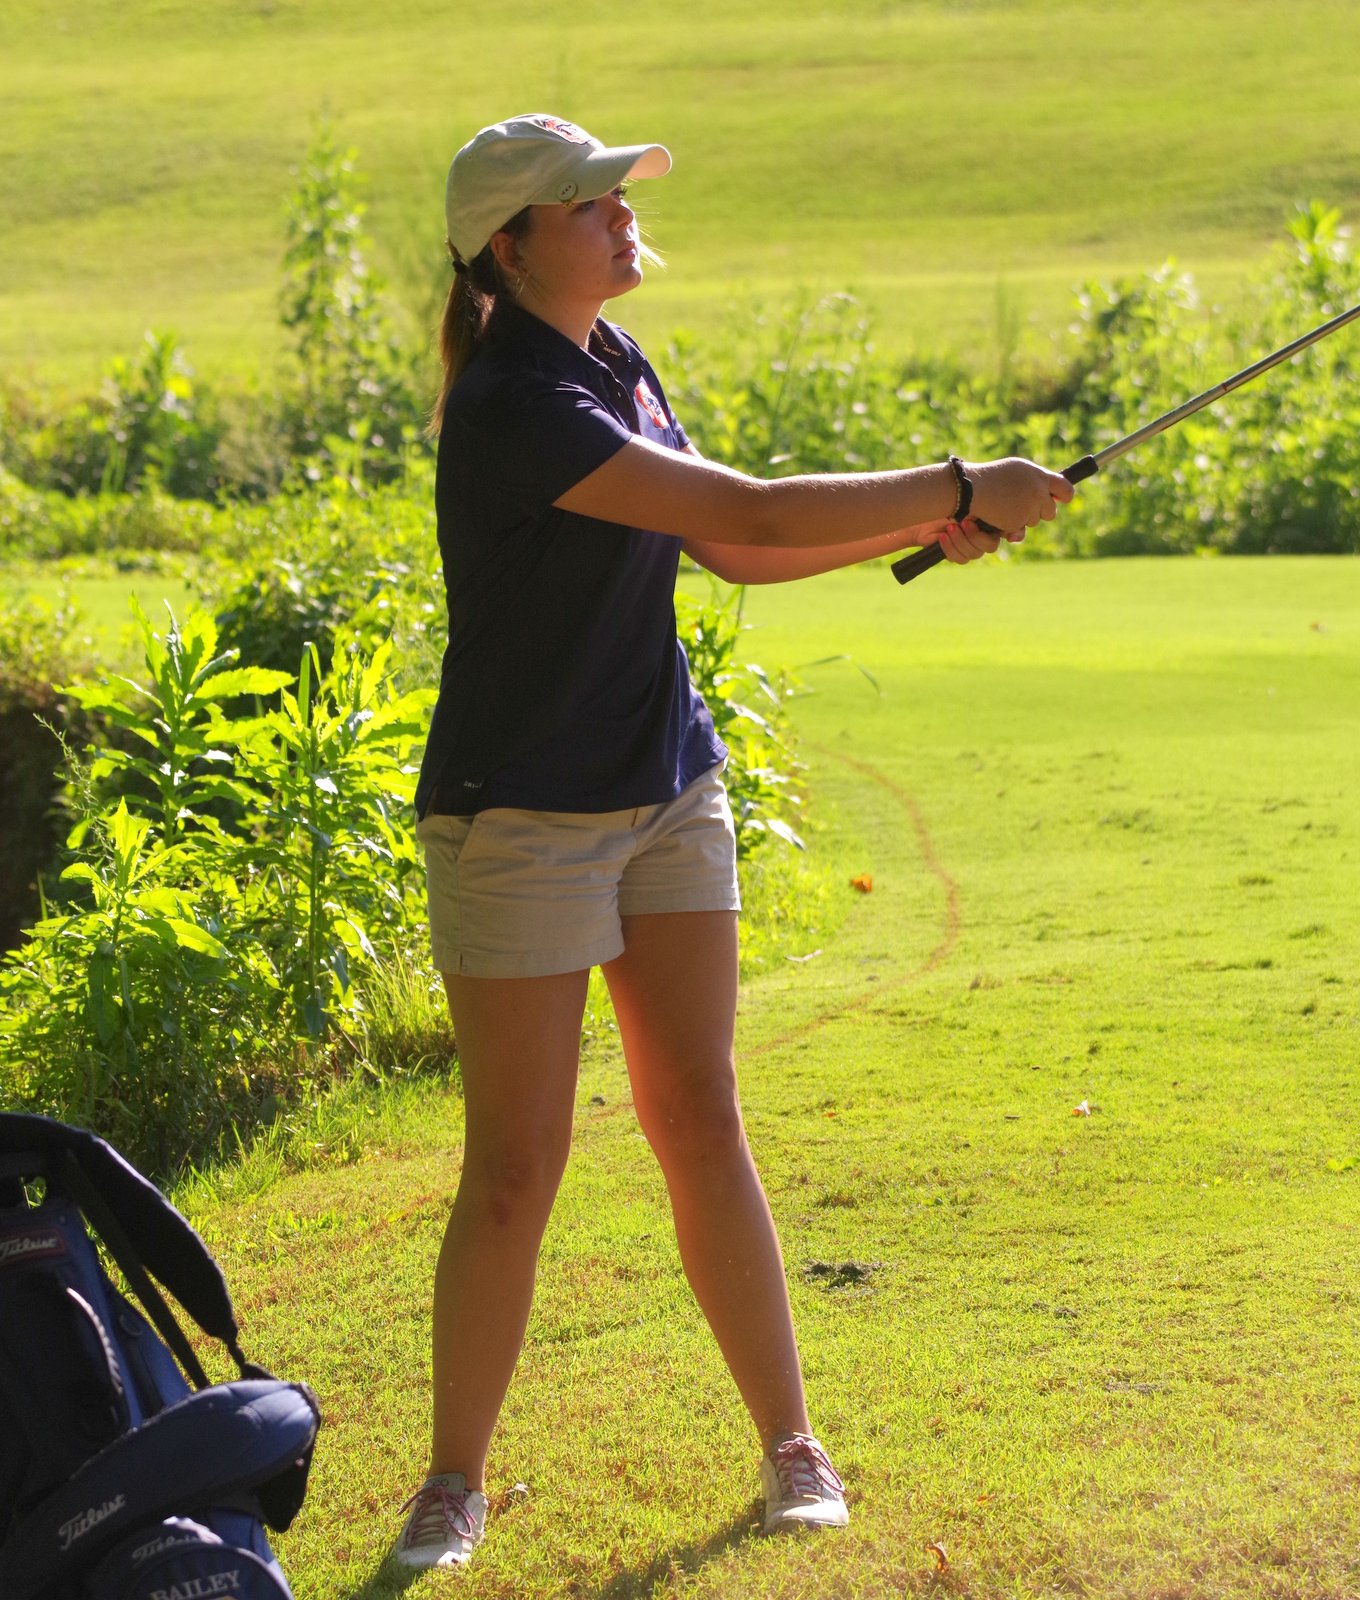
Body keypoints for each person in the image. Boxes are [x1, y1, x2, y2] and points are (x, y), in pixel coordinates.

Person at [392, 112, 1073, 1572]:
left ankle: (791, 1448)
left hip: (665, 785)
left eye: (617, 195)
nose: (622, 215)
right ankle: (452, 1483)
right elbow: (747, 506)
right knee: (515, 1166)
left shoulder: (614, 362)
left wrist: (929, 532)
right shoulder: (516, 401)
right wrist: (959, 484)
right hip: (520, 815)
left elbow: (736, 547)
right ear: (511, 248)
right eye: (590, 203)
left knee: (701, 1112)